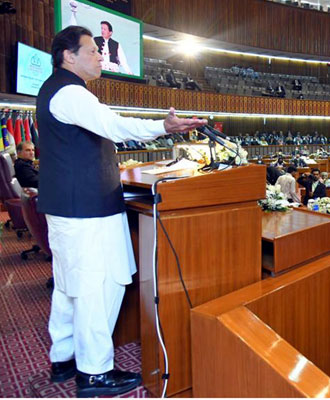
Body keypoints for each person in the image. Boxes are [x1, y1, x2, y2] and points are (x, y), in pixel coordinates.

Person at [38, 26, 205, 397]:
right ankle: (94, 372)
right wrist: (163, 126)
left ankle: (64, 358)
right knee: (100, 285)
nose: (101, 56)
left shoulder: (58, 89)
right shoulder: (70, 92)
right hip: (86, 209)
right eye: (93, 51)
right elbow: (113, 125)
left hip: (71, 206)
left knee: (70, 286)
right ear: (69, 56)